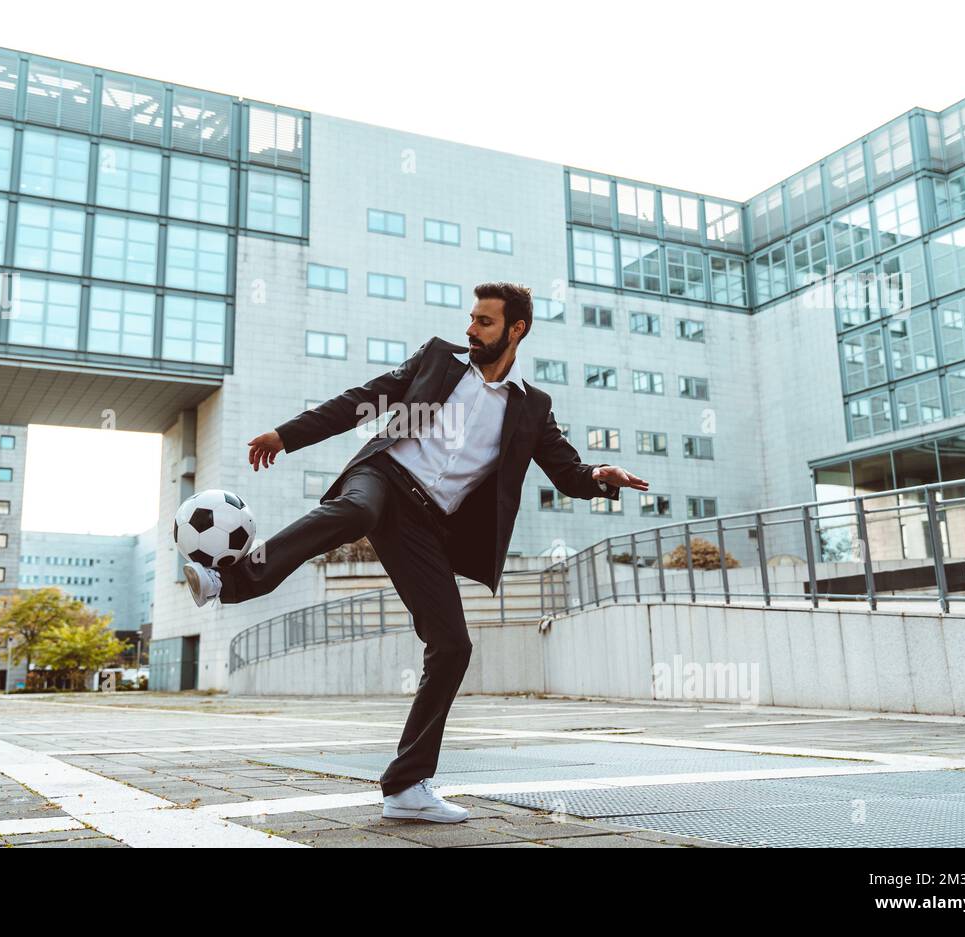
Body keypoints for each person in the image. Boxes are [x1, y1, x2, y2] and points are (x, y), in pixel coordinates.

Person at [184, 282, 649, 822]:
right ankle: (229, 580)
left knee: (452, 646)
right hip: (382, 477)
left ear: (516, 329)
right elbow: (364, 399)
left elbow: (568, 471)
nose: (471, 329)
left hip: (426, 521)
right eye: (471, 319)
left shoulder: (532, 408)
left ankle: (406, 788)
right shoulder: (438, 361)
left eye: (485, 322)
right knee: (357, 512)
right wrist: (286, 436)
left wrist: (599, 477)